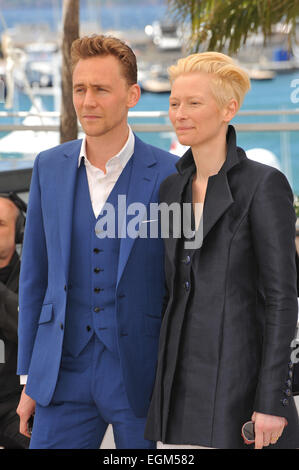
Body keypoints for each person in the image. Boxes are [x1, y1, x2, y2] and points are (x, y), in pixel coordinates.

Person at [16, 34, 178, 449]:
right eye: (79, 89)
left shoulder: (172, 174)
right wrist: (30, 377)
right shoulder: (48, 166)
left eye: (101, 89)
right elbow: (35, 276)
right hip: (62, 371)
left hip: (140, 373)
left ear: (132, 95)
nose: (87, 101)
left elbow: (185, 284)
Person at [145, 52, 299, 449]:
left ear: (229, 108)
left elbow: (282, 300)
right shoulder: (170, 190)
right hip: (176, 392)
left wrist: (271, 403)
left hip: (239, 390)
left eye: (194, 102)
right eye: (174, 102)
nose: (179, 112)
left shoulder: (264, 185)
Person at [0, 194, 29, 449]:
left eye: (0, 224)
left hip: (15, 406)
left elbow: (26, 326)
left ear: (19, 232)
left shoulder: (34, 280)